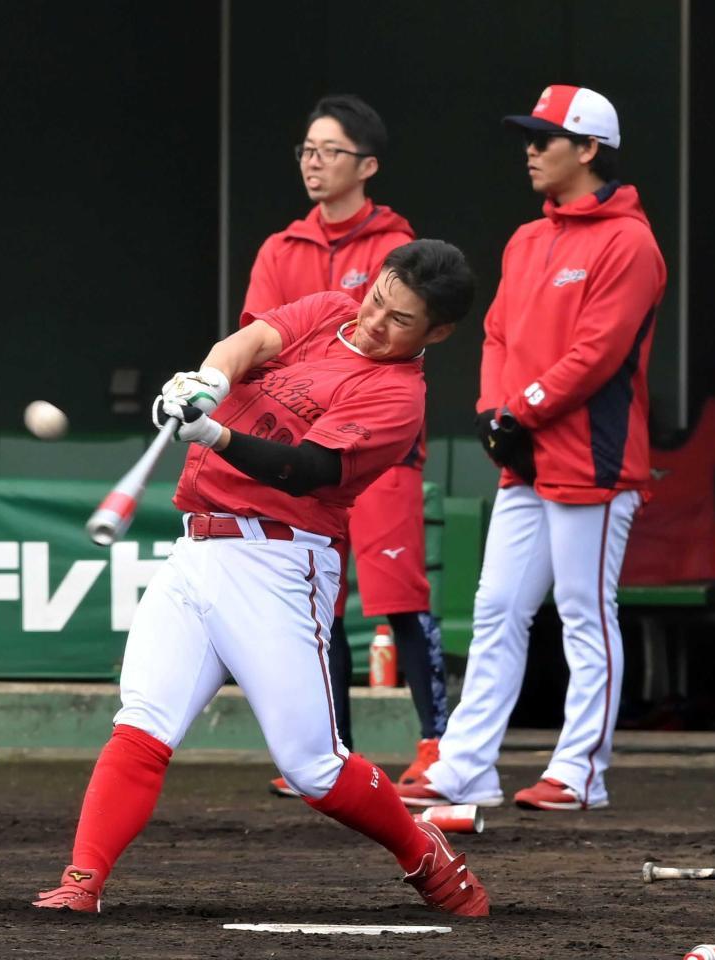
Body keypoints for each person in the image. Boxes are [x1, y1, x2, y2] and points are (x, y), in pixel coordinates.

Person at [31, 239, 488, 917]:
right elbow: (249, 343)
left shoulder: (398, 398)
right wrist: (207, 383)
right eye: (377, 300)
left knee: (314, 768)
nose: (373, 321)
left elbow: (308, 470)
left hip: (282, 562)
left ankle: (422, 852)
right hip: (198, 548)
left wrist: (215, 435)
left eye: (400, 320)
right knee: (144, 720)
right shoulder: (332, 308)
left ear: (438, 333)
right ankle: (82, 881)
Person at [396, 84, 667, 812]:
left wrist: (520, 410)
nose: (531, 149)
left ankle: (582, 771)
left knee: (585, 611)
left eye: (546, 138)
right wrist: (493, 411)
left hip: (595, 458)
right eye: (530, 136)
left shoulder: (629, 241)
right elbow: (497, 336)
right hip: (526, 457)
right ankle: (466, 765)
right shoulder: (528, 238)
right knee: (497, 608)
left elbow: (598, 353)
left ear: (588, 149)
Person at [242, 94, 447, 794]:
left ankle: (436, 745)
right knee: (316, 604)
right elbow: (259, 344)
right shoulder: (280, 247)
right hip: (297, 451)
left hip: (373, 448)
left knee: (398, 591)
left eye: (329, 151)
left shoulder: (397, 245)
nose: (313, 162)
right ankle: (330, 754)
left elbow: (395, 354)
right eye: (306, 149)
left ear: (368, 166)